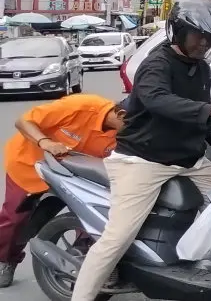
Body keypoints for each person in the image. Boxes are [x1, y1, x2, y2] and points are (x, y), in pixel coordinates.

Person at [71, 0, 211, 301]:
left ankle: (194, 265)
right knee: (116, 238)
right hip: (142, 161)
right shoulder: (156, 64)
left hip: (188, 160)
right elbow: (159, 101)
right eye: (199, 36)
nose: (204, 44)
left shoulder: (201, 69)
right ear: (178, 30)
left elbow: (197, 112)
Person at [0, 95, 127, 287]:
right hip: (30, 166)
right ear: (121, 115)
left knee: (93, 217)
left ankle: (82, 265)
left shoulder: (127, 136)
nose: (141, 129)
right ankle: (5, 261)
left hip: (78, 177)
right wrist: (45, 142)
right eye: (138, 122)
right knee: (15, 219)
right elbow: (24, 121)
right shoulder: (81, 106)